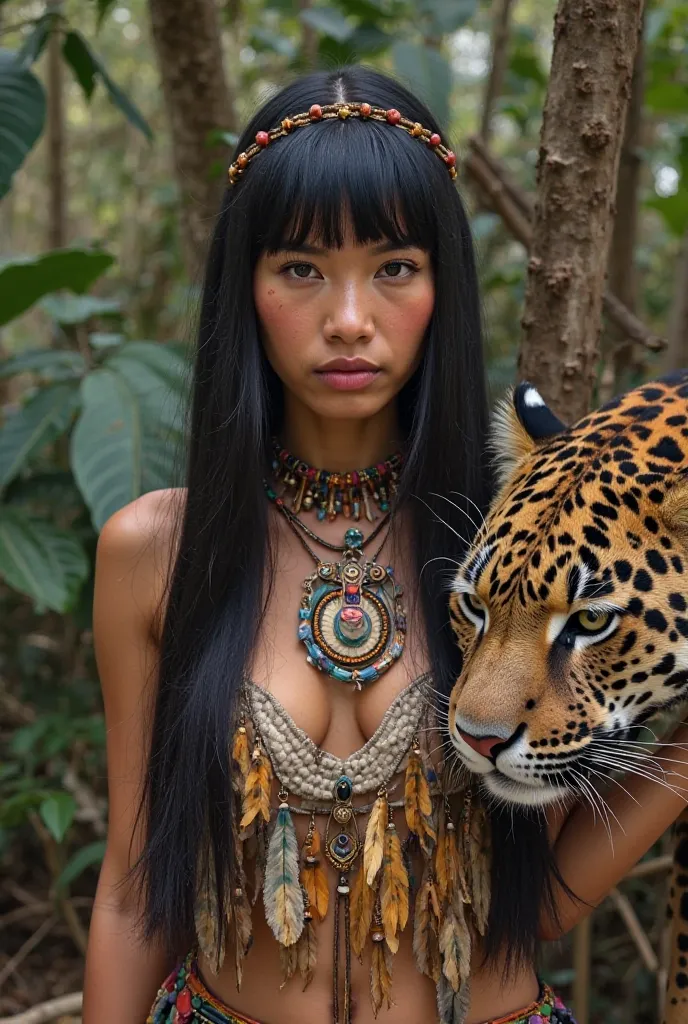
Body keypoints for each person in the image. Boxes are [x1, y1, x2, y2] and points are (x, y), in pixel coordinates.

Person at [82, 65, 687, 1024]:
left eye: (394, 267)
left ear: (442, 282)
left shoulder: (516, 547)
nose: (350, 319)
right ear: (245, 287)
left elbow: (534, 906)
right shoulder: (157, 548)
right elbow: (128, 889)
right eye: (301, 269)